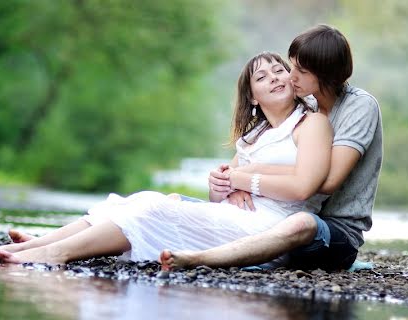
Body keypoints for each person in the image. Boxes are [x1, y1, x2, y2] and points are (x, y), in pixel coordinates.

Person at [0, 51, 332, 265]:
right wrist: (222, 186)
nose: (275, 77)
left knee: (152, 208)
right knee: (140, 200)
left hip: (269, 229)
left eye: (280, 70)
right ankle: (41, 243)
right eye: (262, 75)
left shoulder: (310, 123)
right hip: (232, 219)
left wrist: (243, 179)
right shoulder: (253, 137)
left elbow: (303, 187)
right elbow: (222, 192)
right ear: (252, 97)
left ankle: (56, 254)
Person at [161, 24, 383, 272]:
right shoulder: (304, 101)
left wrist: (251, 175)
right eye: (292, 66)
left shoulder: (359, 108)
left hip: (332, 230)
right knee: (172, 203)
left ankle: (200, 259)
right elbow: (238, 165)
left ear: (324, 73)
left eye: (300, 70)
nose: (290, 76)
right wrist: (231, 184)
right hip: (277, 216)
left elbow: (326, 181)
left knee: (301, 223)